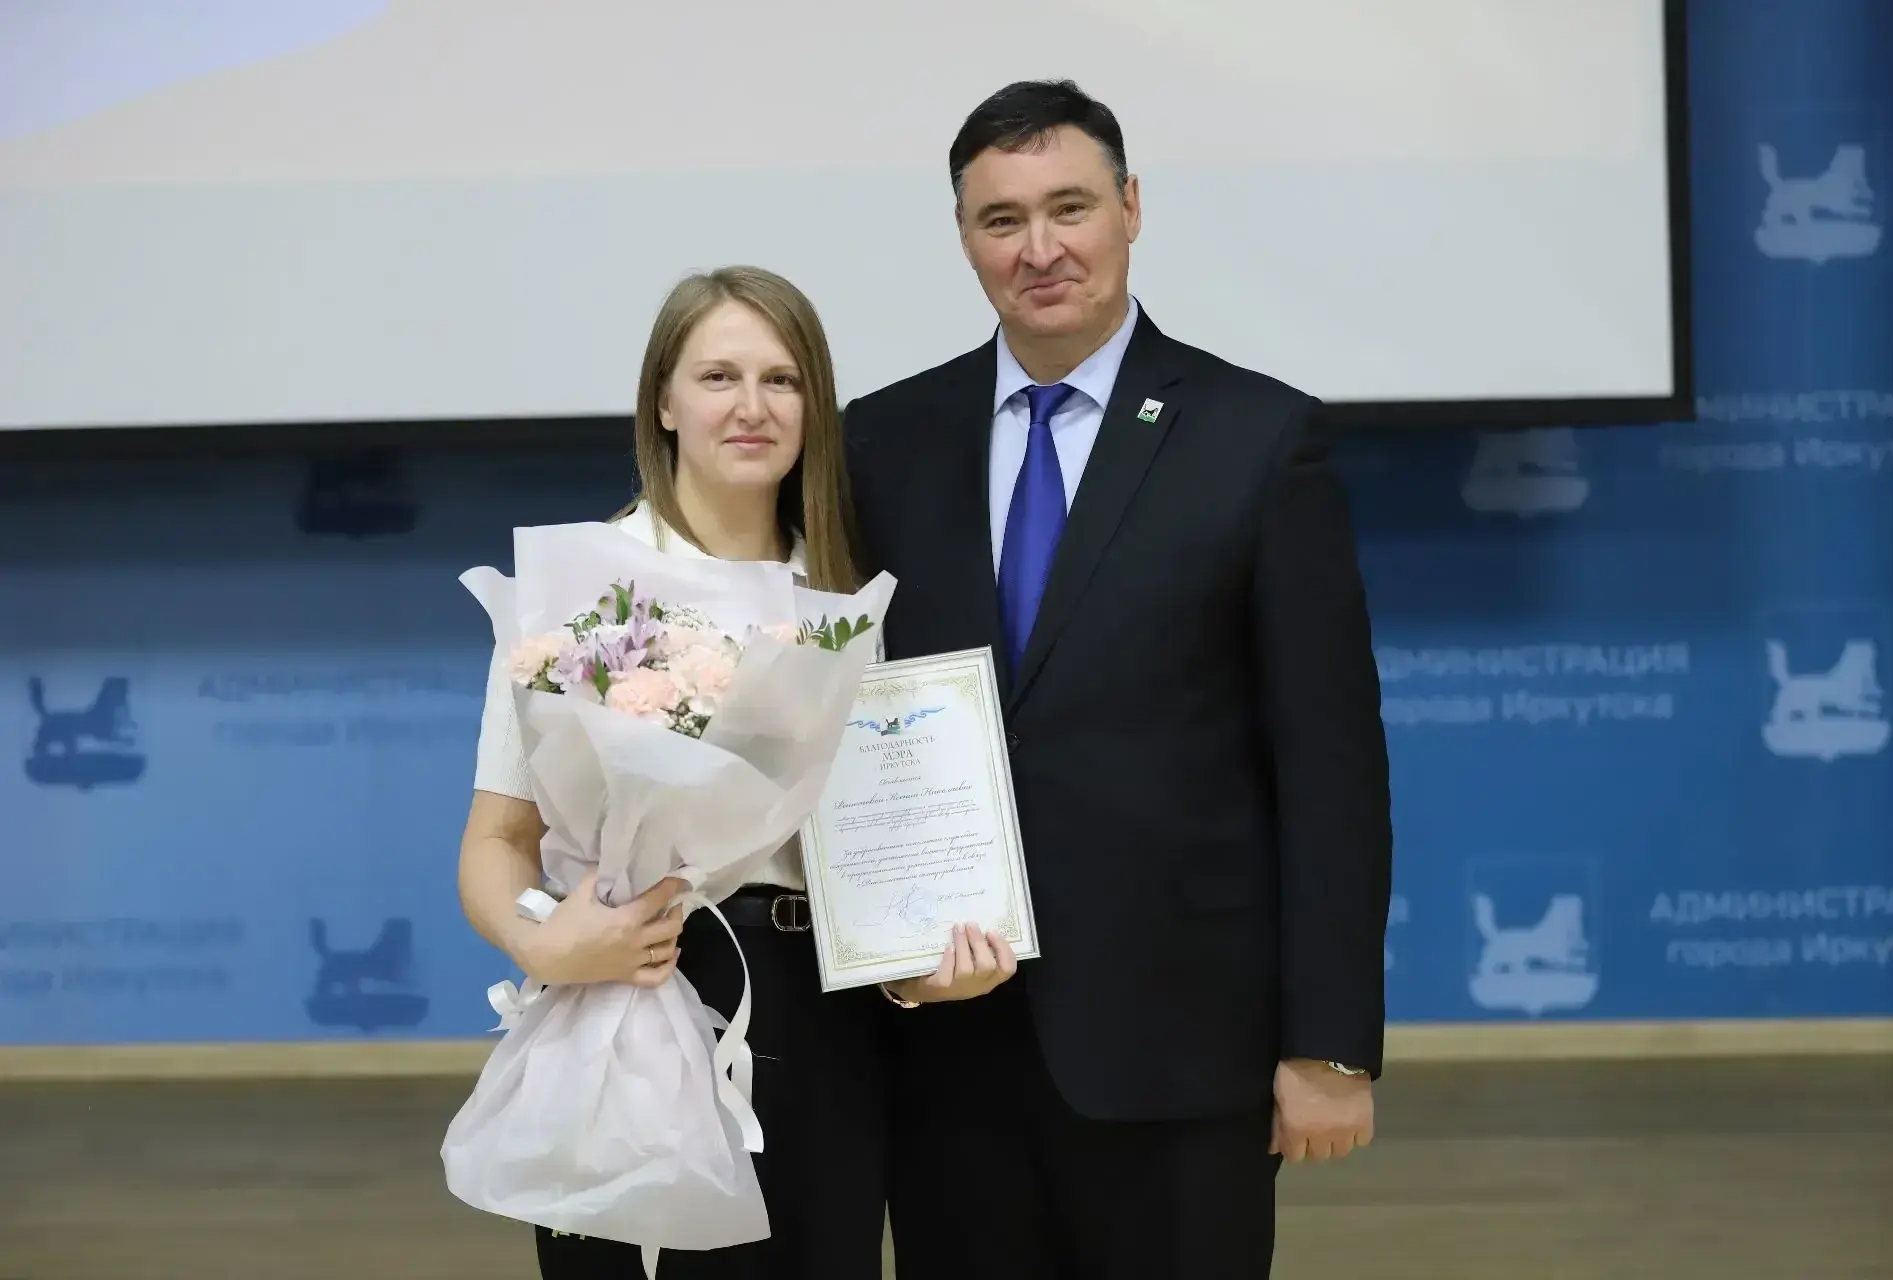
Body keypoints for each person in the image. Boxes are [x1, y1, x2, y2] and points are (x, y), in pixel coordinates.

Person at [843, 80, 1395, 1278]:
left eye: (1070, 207)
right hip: (946, 1049)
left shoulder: (1258, 436)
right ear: (963, 236)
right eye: (1001, 219)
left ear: (1131, 208)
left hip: (1183, 1048)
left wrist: (1331, 1042)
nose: (1039, 249)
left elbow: (1331, 764)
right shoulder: (878, 442)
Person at [457, 265, 894, 1279]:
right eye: (718, 377)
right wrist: (545, 939)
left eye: (782, 380)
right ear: (664, 400)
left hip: (827, 1013)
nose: (752, 407)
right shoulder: (580, 592)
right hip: (633, 983)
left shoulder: (848, 597)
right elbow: (495, 840)